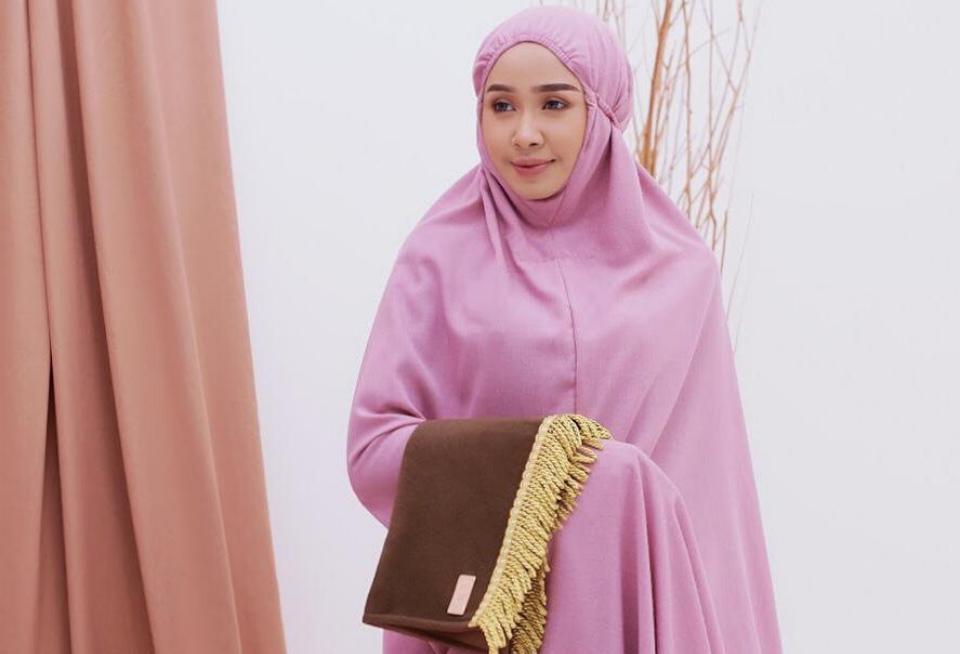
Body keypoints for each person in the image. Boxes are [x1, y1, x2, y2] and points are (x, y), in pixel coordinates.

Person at [346, 6, 784, 654]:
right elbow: (373, 448)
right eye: (502, 106)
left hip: (636, 607)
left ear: (600, 113)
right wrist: (563, 471)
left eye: (554, 104)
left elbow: (712, 494)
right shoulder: (436, 257)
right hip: (481, 617)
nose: (524, 133)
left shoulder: (680, 269)